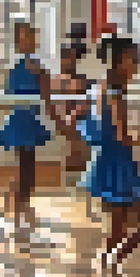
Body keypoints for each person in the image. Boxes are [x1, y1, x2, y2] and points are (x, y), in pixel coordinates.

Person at [82, 34, 140, 277]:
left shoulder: (101, 89)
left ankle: (107, 271)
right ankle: (110, 266)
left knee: (117, 228)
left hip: (108, 161)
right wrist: (138, 137)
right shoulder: (114, 93)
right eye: (132, 59)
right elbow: (122, 133)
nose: (136, 65)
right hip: (118, 162)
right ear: (119, 61)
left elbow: (96, 124)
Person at [0, 20, 53, 246]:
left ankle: (18, 207)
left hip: (28, 119)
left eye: (32, 35)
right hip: (22, 121)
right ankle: (19, 210)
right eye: (26, 36)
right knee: (26, 168)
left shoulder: (32, 65)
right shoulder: (24, 65)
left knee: (26, 166)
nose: (31, 39)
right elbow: (10, 95)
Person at [46, 24, 94, 232]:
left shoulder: (82, 81)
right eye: (66, 57)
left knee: (82, 155)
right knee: (75, 155)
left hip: (79, 125)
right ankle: (72, 194)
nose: (69, 61)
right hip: (66, 126)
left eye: (72, 57)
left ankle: (83, 198)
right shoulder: (58, 81)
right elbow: (54, 105)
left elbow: (86, 102)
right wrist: (63, 121)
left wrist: (73, 117)